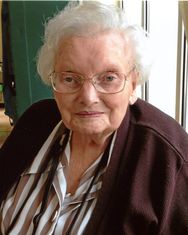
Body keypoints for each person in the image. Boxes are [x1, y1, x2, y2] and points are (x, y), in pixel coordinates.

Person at [0, 1, 188, 235]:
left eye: (108, 78)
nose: (88, 97)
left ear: (133, 85)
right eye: (70, 78)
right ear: (53, 81)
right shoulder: (35, 123)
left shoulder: (166, 156)